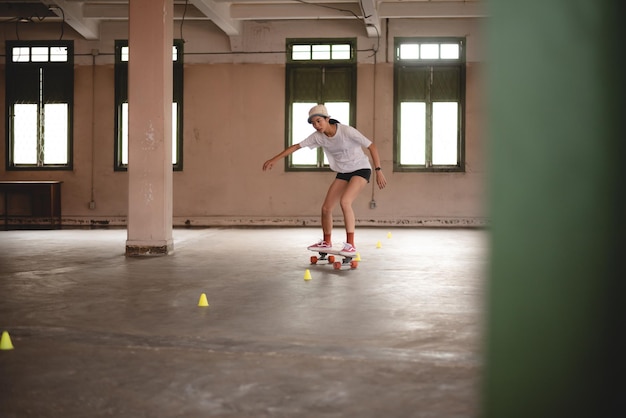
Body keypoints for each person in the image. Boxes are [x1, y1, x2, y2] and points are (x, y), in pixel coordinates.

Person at [263, 104, 387, 256]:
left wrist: (378, 170)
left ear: (327, 119)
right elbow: (296, 147)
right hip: (343, 171)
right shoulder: (318, 137)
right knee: (326, 208)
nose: (316, 125)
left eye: (319, 121)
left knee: (345, 201)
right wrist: (274, 159)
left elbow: (372, 146)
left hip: (361, 169)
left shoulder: (346, 131)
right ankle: (327, 242)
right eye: (313, 123)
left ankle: (351, 245)